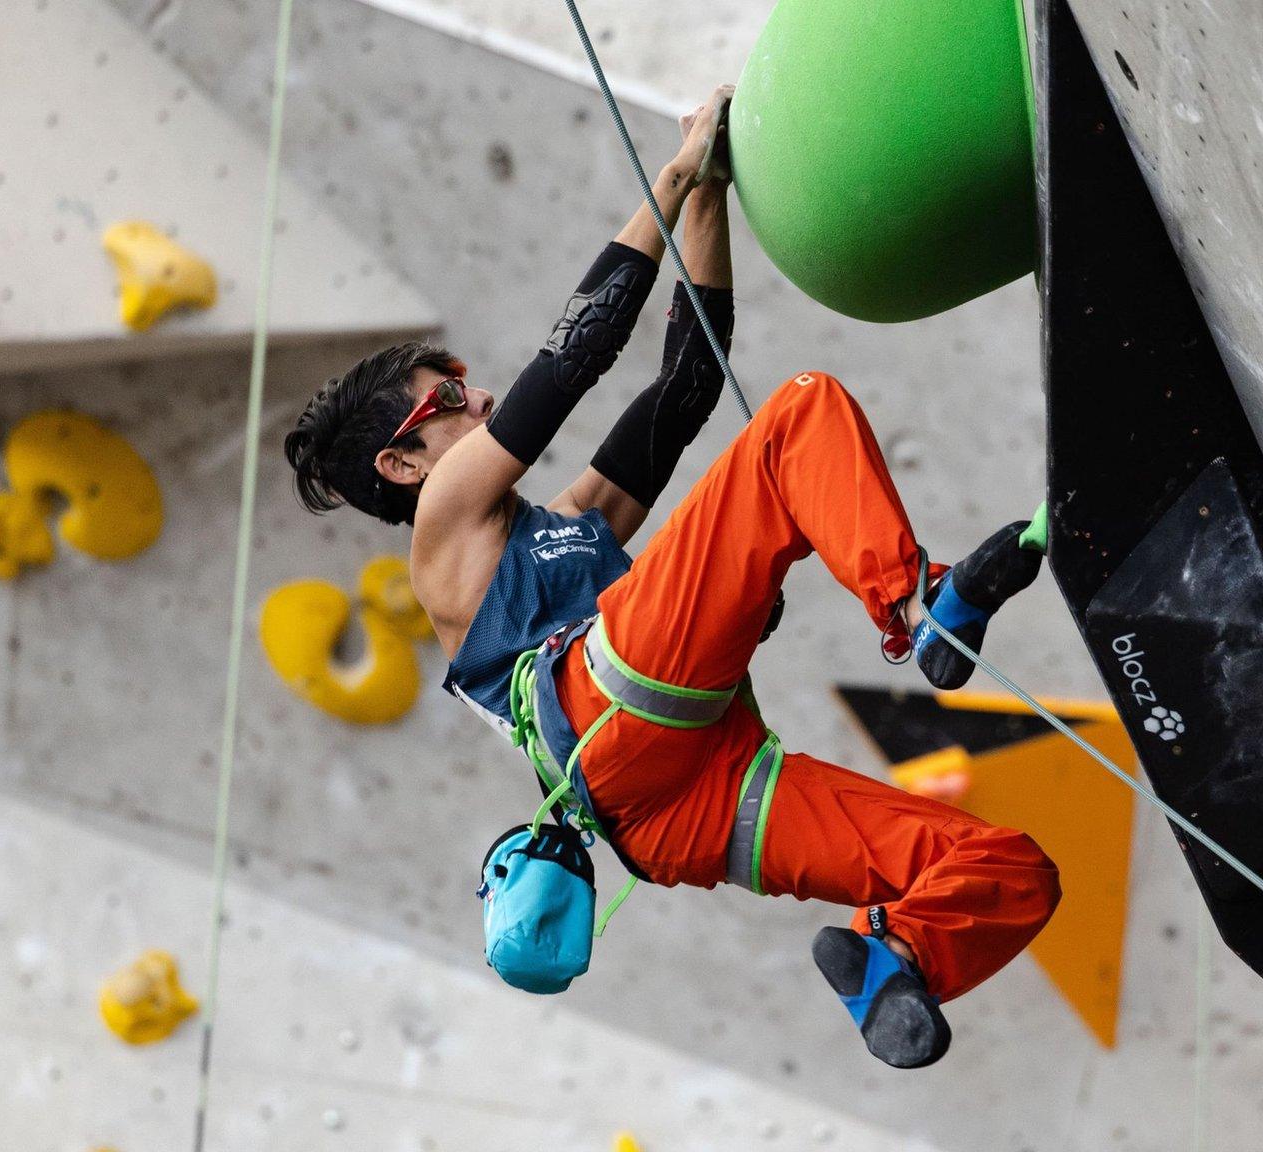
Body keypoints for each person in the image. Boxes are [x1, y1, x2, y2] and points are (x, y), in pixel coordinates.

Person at [283, 88, 1058, 1069]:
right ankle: (914, 608)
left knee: (1004, 867)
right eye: (444, 398)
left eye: (463, 381)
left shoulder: (569, 526)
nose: (473, 395)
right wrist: (674, 170)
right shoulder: (440, 532)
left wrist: (710, 194)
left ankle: (890, 958)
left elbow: (686, 383)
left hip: (687, 802)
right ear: (402, 464)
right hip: (612, 723)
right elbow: (568, 363)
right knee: (797, 415)